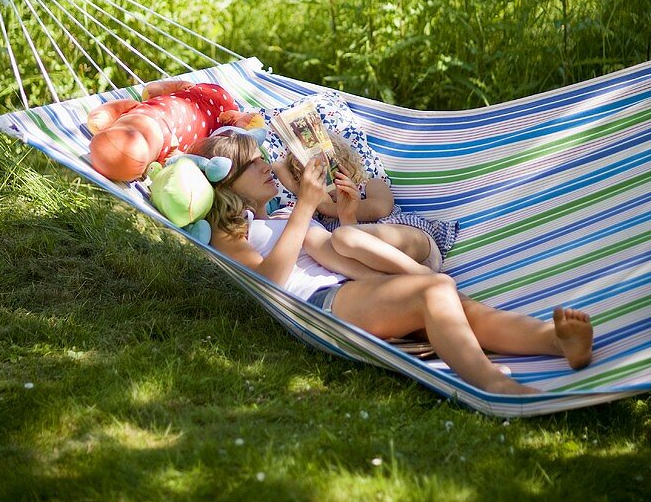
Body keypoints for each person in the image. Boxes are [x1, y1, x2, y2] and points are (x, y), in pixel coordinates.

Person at [191, 129, 594, 397]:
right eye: (250, 164)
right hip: (319, 304)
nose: (265, 166)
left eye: (262, 158)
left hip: (350, 288)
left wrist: (342, 221)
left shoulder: (281, 217)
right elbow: (270, 282)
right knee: (433, 291)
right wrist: (306, 205)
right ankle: (490, 384)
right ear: (224, 182)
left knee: (452, 303)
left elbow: (337, 255)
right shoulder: (233, 232)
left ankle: (554, 341)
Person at [273, 129, 451, 271]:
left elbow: (380, 209)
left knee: (344, 238)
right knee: (338, 242)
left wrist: (329, 207)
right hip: (384, 271)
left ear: (346, 165)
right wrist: (310, 196)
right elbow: (278, 167)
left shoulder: (370, 185)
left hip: (413, 244)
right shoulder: (320, 219)